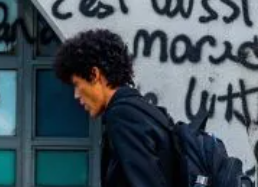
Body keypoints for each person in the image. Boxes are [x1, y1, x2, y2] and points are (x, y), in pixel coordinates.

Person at [54, 28, 183, 187]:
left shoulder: (123, 116)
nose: (76, 95)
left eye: (76, 84)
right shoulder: (142, 110)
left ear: (94, 74)